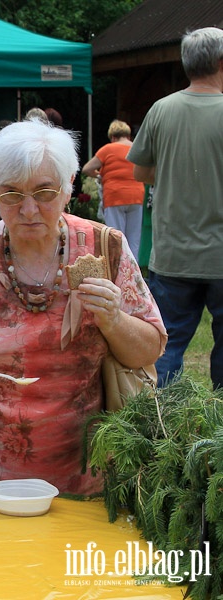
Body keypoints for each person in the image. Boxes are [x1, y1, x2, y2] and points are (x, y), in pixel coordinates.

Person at [0, 119, 166, 498]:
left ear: (68, 186)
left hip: (86, 473)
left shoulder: (106, 248)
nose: (28, 209)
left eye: (43, 192)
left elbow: (150, 348)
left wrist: (113, 319)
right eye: (10, 194)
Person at [128, 26, 223, 390]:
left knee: (166, 346)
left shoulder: (161, 109)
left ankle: (161, 424)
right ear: (219, 62)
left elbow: (142, 171)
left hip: (173, 252)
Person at [81, 119, 143, 257]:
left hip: (114, 196)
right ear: (128, 135)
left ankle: (117, 270)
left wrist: (100, 174)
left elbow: (87, 168)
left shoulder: (108, 149)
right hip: (136, 196)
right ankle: (134, 273)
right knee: (134, 239)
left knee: (115, 237)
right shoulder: (136, 148)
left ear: (113, 137)